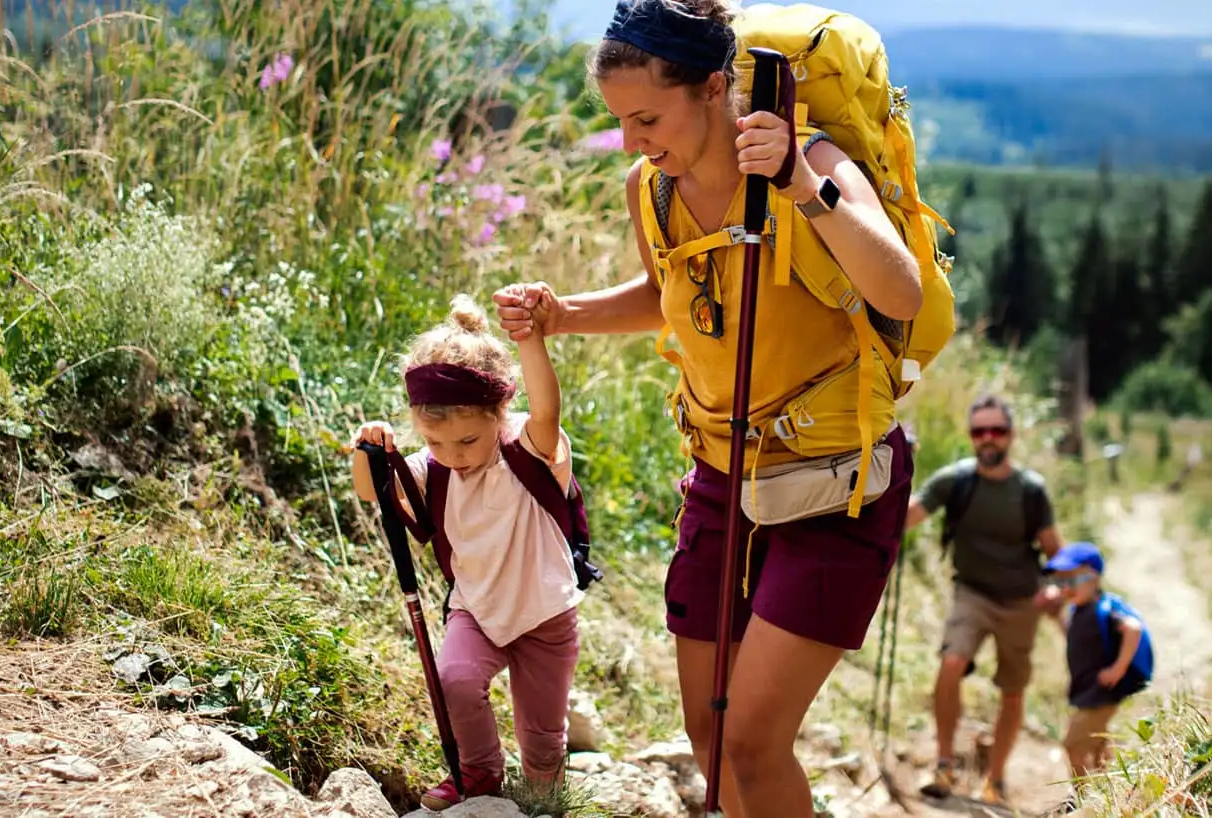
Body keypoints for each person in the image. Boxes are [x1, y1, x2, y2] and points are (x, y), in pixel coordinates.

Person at [490, 0, 926, 812]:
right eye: (620, 120)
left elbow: (899, 290)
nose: (631, 139)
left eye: (647, 116)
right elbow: (671, 293)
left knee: (755, 742)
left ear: (715, 87)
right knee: (710, 739)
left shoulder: (812, 159)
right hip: (721, 476)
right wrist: (565, 314)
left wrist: (801, 183)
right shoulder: (649, 189)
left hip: (835, 479)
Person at [349, 296, 584, 810]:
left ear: (500, 414)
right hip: (476, 607)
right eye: (435, 441)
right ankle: (479, 776)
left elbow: (547, 408)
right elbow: (372, 492)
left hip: (545, 612)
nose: (454, 455)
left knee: (543, 735)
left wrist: (530, 339)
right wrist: (365, 449)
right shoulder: (431, 470)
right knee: (455, 678)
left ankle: (546, 796)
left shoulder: (527, 447)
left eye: (468, 440)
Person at [902, 395, 1065, 804]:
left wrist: (1058, 590)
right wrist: (892, 473)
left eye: (997, 430)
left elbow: (1055, 552)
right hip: (971, 592)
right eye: (980, 431)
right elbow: (907, 516)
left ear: (1011, 435)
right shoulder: (954, 481)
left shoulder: (1030, 491)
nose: (988, 439)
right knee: (951, 663)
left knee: (1012, 690)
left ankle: (995, 779)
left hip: (1021, 602)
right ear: (971, 436)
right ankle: (944, 766)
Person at [1037, 542, 1153, 780]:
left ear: (1094, 578)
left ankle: (1083, 793)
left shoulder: (1104, 609)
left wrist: (1117, 669)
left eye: (1071, 581)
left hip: (1103, 691)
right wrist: (1057, 617)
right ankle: (1107, 785)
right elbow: (1074, 639)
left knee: (1073, 743)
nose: (1065, 589)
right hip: (1089, 689)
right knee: (1098, 741)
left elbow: (1133, 629)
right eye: (1060, 583)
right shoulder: (1078, 612)